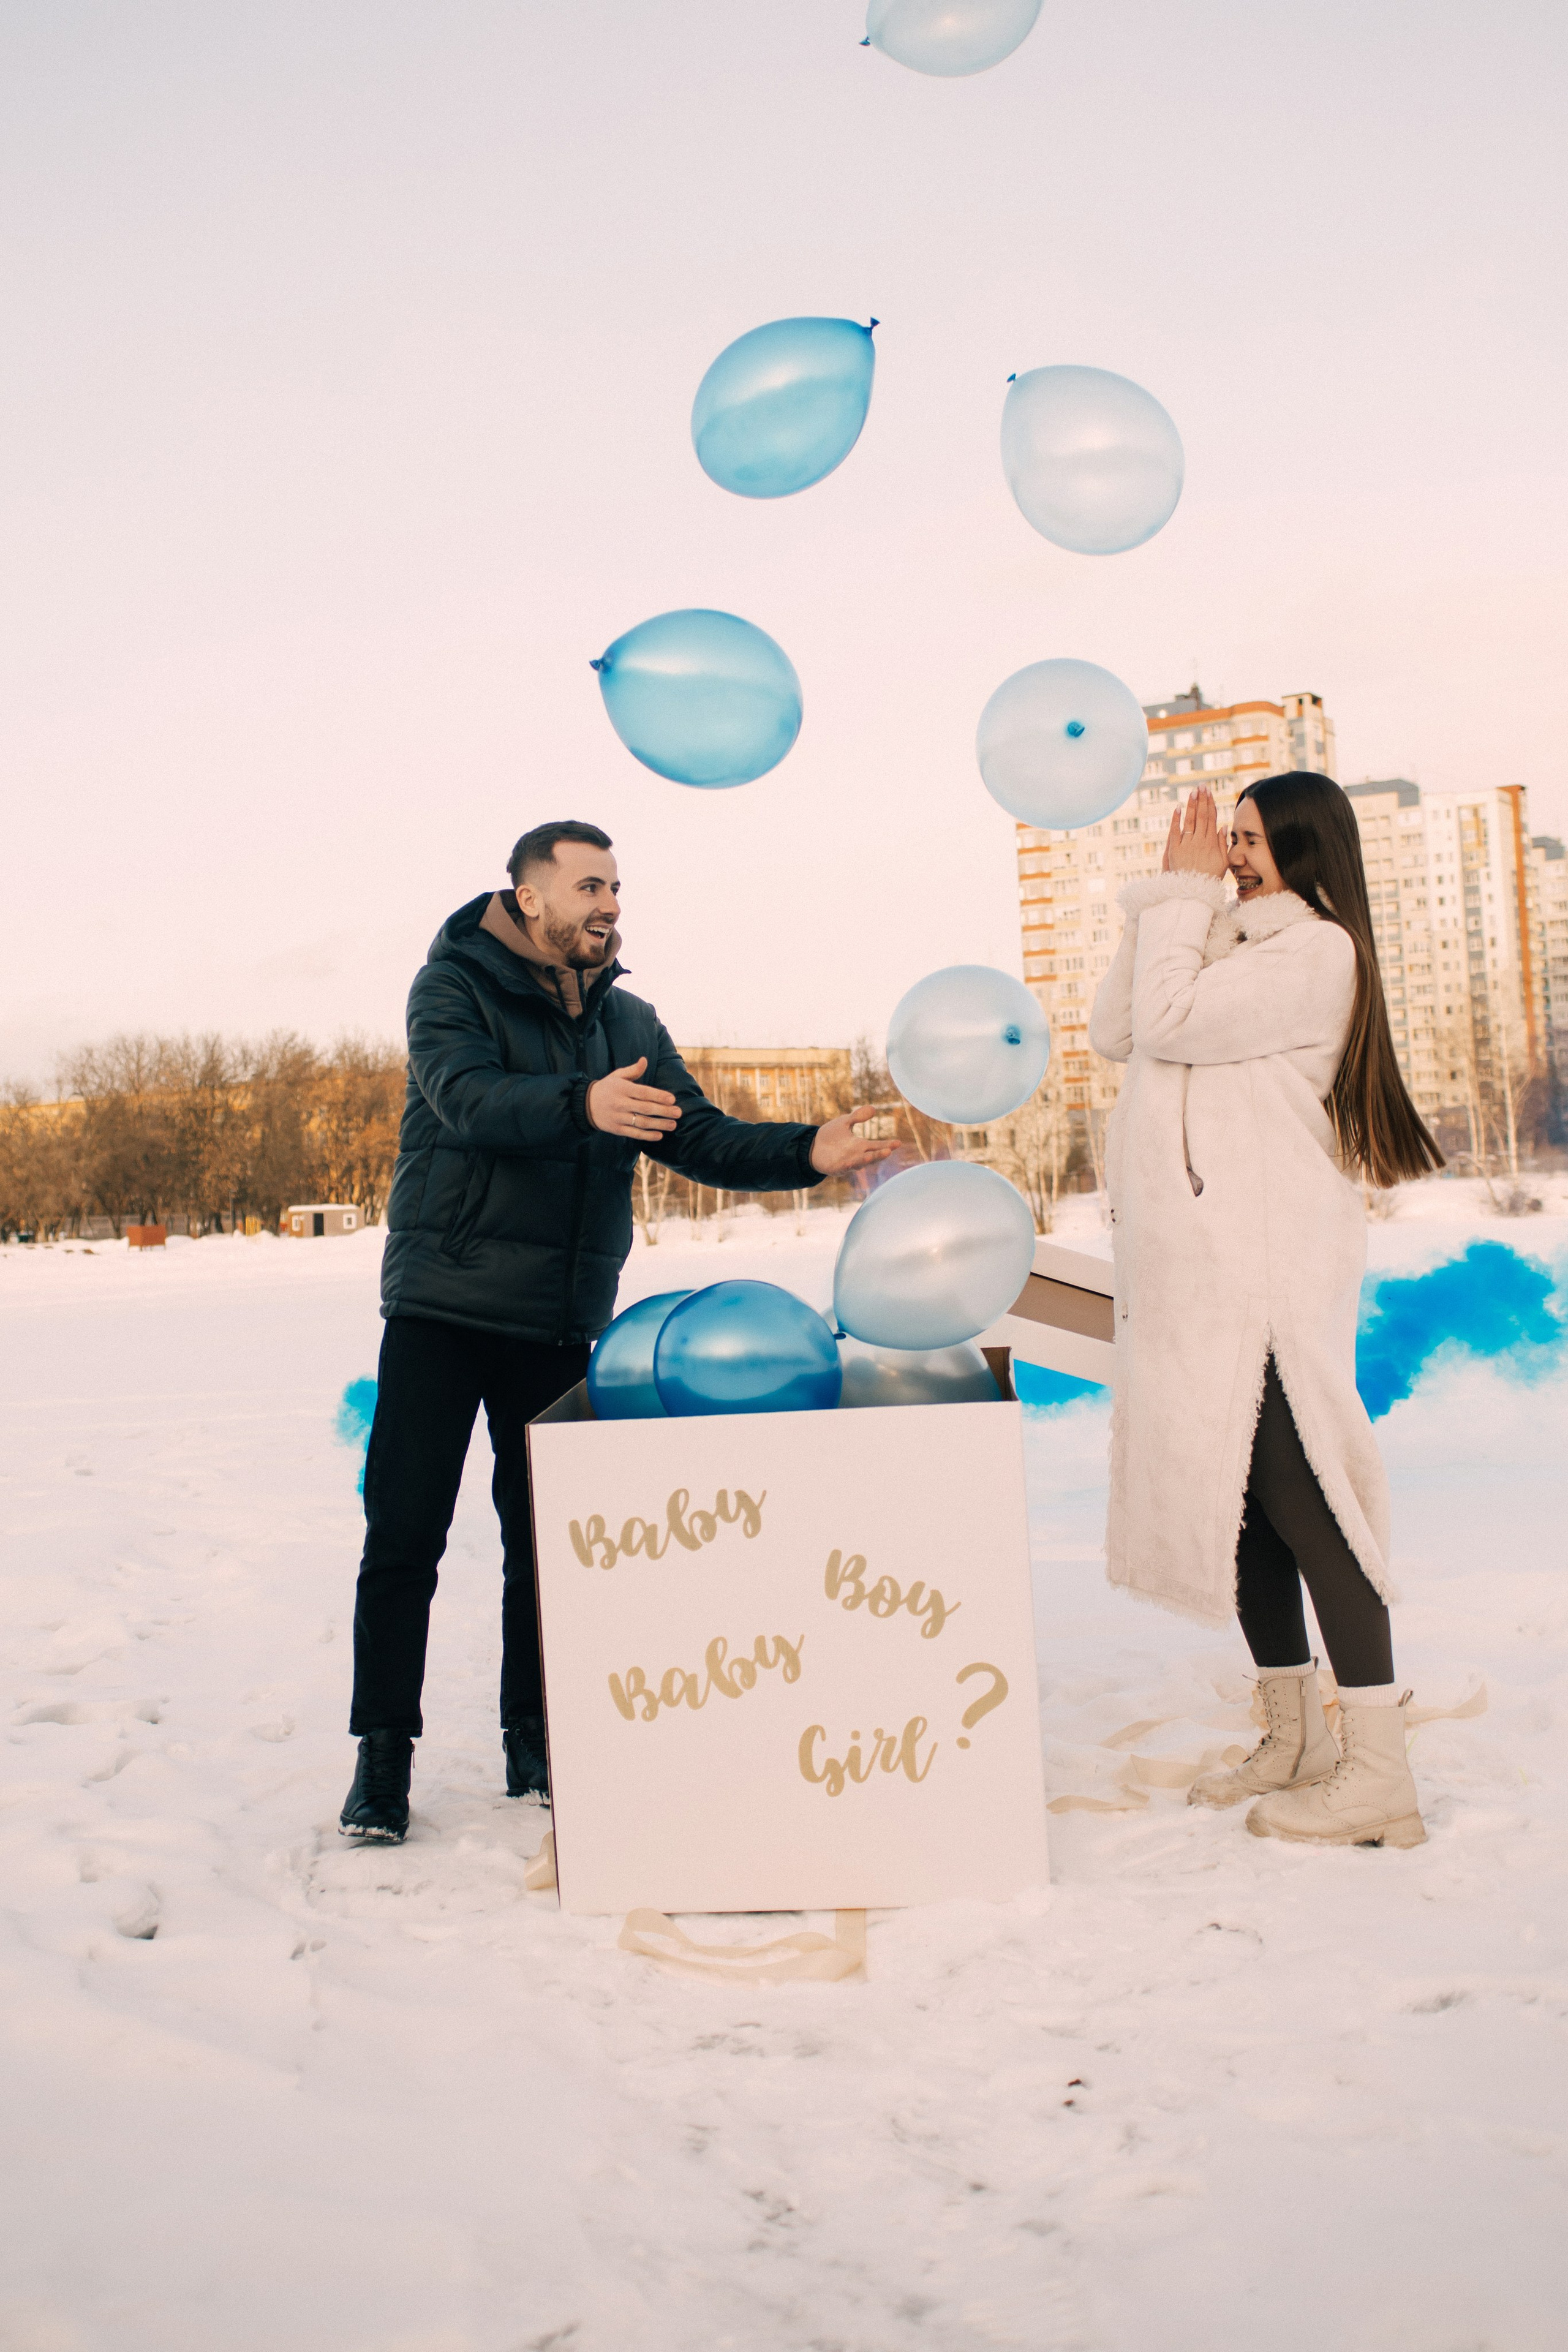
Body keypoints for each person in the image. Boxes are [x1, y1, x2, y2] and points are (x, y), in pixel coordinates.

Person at [340, 820, 892, 1844]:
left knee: (543, 1540)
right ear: (530, 895)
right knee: (405, 1532)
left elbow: (701, 1135)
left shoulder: (627, 1018)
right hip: (444, 1302)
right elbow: (467, 1101)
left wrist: (807, 1150)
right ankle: (383, 1756)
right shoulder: (450, 986)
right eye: (589, 886)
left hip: (555, 1317)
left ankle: (534, 1734)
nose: (609, 906)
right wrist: (581, 1104)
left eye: (617, 888)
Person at [1088, 774, 1444, 1848]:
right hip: (1199, 1272)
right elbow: (1118, 1028)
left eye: (1248, 840)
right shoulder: (1224, 936)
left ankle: (1379, 1772)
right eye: (1225, 839)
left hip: (1266, 1265)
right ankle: (1295, 1738)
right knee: (1238, 1503)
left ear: (1301, 846)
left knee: (1309, 1499)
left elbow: (1169, 1020)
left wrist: (1185, 908)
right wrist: (1166, 897)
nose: (1231, 855)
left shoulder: (1315, 951)